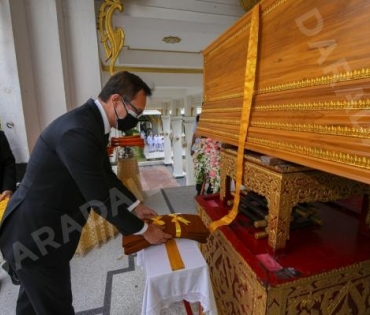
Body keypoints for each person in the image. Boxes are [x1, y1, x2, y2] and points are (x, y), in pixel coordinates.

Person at [0, 71, 172, 314]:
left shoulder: (90, 123)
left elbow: (105, 175)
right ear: (115, 100)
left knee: (32, 304)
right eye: (136, 112)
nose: (136, 118)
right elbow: (99, 196)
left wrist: (135, 205)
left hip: (41, 233)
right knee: (55, 307)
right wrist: (145, 230)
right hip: (36, 237)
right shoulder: (78, 130)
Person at [0, 130, 21, 286]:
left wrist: (8, 188)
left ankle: (14, 266)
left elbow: (8, 162)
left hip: (2, 196)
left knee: (8, 232)